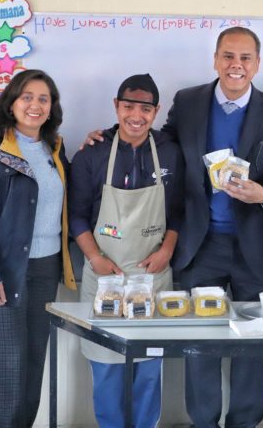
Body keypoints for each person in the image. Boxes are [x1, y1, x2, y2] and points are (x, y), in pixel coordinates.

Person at [161, 27, 263, 428]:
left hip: (254, 245)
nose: (236, 65)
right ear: (215, 59)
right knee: (201, 341)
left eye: (245, 58)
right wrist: (110, 138)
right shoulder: (188, 102)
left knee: (253, 342)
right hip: (200, 242)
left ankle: (244, 422)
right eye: (228, 56)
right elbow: (163, 149)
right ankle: (203, 422)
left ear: (257, 64)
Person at [0, 69, 76, 428]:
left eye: (43, 98)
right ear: (11, 103)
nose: (35, 105)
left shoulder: (55, 149)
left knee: (34, 358)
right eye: (27, 97)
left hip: (45, 268)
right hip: (1, 271)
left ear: (52, 106)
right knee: (10, 363)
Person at [68, 74, 183, 428]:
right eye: (128, 106)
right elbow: (76, 215)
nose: (136, 115)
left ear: (156, 111)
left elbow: (179, 210)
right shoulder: (93, 153)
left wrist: (166, 250)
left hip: (152, 275)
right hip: (104, 275)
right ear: (116, 106)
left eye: (145, 109)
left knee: (148, 368)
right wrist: (95, 258)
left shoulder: (169, 151)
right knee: (106, 367)